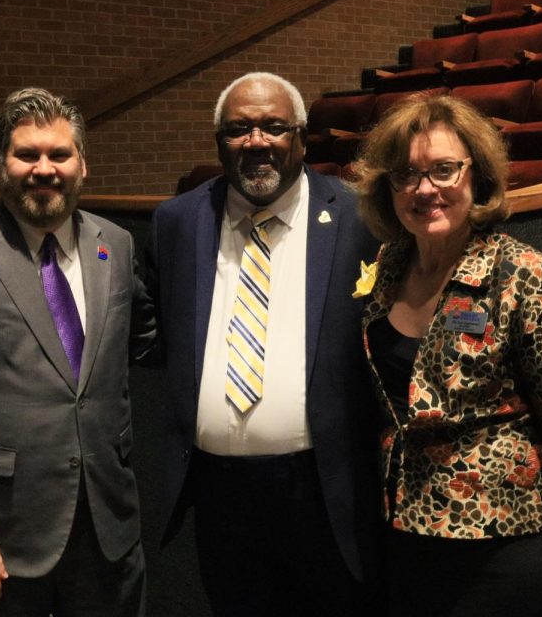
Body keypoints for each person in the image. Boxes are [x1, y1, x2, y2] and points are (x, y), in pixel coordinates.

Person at [352, 94, 542, 617]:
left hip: (506, 554)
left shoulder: (526, 276)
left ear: (476, 176)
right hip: (408, 547)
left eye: (443, 170)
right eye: (406, 174)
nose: (424, 189)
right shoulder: (390, 267)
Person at [0, 87, 156, 617]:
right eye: (27, 154)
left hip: (109, 525)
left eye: (59, 154)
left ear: (82, 164)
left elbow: (133, 346)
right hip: (2, 536)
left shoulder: (116, 243)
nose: (44, 168)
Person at [145, 71, 383, 615]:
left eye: (274, 127)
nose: (256, 142)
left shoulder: (358, 215)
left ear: (301, 136)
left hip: (322, 488)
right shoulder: (177, 222)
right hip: (220, 493)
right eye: (239, 129)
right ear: (218, 143)